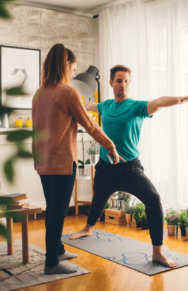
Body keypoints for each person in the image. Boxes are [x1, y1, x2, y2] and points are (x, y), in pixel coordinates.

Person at [70, 65, 188, 268]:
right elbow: (88, 106)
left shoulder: (136, 107)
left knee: (153, 199)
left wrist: (178, 99)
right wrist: (74, 102)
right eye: (118, 81)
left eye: (126, 81)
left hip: (130, 169)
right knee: (98, 199)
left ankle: (157, 252)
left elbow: (158, 101)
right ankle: (88, 228)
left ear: (129, 83)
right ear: (111, 83)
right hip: (106, 167)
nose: (122, 85)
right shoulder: (106, 106)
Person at [32, 45, 124, 275]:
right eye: (73, 67)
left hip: (43, 162)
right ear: (65, 65)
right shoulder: (68, 92)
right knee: (58, 212)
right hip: (62, 163)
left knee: (52, 208)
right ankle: (52, 263)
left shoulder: (38, 93)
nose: (74, 73)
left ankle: (58, 251)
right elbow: (90, 126)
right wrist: (110, 145)